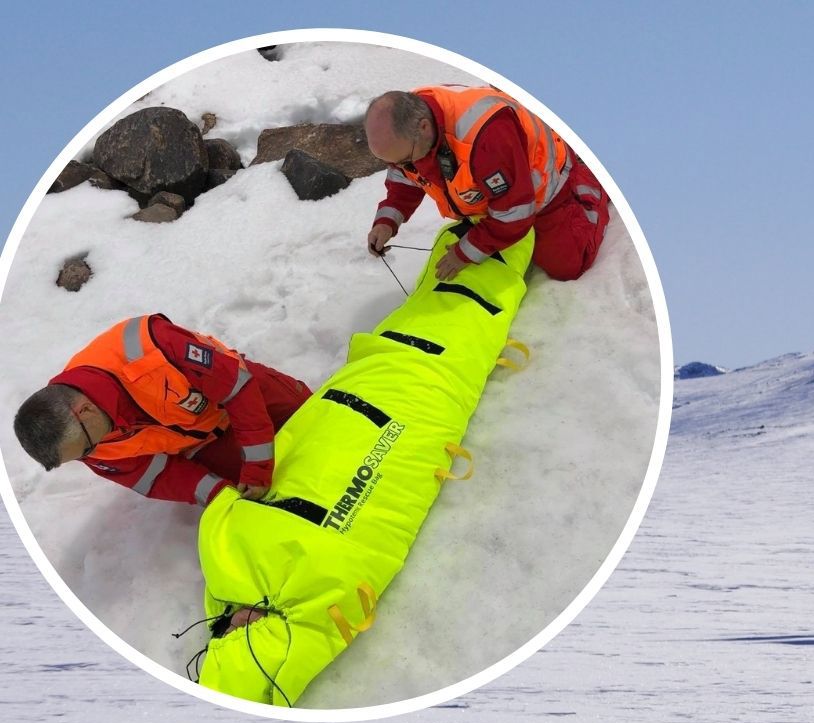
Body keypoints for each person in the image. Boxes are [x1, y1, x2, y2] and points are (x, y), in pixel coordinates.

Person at [13, 314, 313, 506]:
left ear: (85, 410)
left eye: (87, 447)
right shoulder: (82, 442)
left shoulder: (147, 346)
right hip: (206, 443)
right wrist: (219, 495)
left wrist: (258, 467)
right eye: (81, 455)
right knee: (281, 491)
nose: (90, 456)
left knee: (316, 417)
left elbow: (236, 388)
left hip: (242, 391)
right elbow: (155, 475)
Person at [363, 85, 611, 282]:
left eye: (405, 159)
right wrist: (387, 222)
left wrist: (465, 253)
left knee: (567, 265)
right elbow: (403, 178)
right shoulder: (410, 128)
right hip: (500, 190)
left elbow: (515, 213)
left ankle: (591, 176)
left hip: (547, 186)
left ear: (424, 127)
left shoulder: (485, 137)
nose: (404, 167)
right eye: (394, 162)